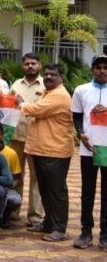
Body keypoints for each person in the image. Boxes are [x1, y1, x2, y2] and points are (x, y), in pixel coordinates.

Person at [18, 64, 73, 242]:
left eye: (53, 75)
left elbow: (36, 110)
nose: (48, 77)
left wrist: (21, 103)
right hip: (42, 149)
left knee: (56, 192)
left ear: (61, 77)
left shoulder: (59, 95)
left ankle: (59, 229)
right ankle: (49, 223)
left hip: (55, 151)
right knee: (45, 190)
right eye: (47, 75)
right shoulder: (48, 93)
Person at [72, 54, 107, 249]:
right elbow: (76, 116)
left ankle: (105, 234)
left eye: (105, 67)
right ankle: (86, 232)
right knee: (87, 191)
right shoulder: (81, 90)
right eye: (98, 67)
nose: (102, 71)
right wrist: (81, 134)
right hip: (89, 148)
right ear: (92, 69)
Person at [8, 53, 45, 227]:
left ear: (40, 65)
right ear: (23, 66)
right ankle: (13, 211)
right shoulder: (16, 85)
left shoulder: (47, 85)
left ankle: (35, 216)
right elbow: (7, 106)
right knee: (16, 175)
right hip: (16, 137)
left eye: (33, 63)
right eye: (27, 64)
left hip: (37, 138)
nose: (30, 66)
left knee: (37, 179)